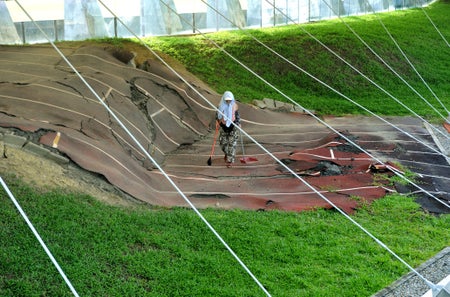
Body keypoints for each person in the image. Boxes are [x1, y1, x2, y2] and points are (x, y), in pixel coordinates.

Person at [217, 91, 240, 167]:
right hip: (223, 127)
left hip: (233, 127)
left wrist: (238, 123)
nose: (228, 101)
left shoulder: (235, 106)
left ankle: (229, 161)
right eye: (227, 100)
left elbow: (237, 116)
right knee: (222, 143)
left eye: (229, 100)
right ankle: (227, 154)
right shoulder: (220, 106)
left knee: (232, 144)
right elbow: (217, 116)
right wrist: (217, 122)